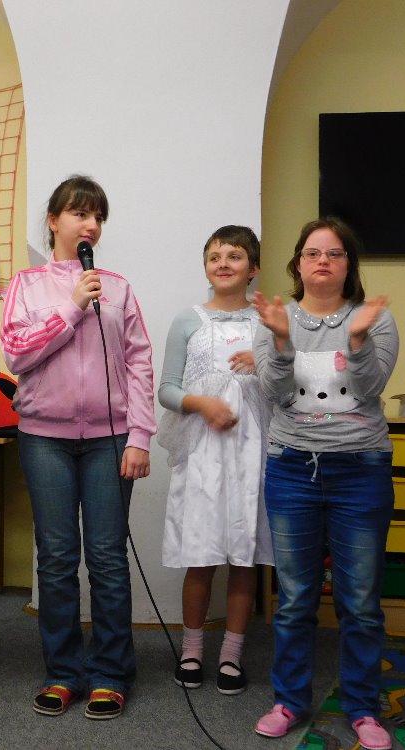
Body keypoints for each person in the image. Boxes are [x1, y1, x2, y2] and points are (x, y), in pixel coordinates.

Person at [0, 175, 156, 721]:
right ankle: (63, 672)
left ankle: (110, 674)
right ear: (53, 221)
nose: (90, 224)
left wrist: (140, 435)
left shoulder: (118, 287)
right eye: (79, 213)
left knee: (108, 559)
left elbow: (139, 363)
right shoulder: (27, 285)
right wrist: (69, 307)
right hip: (45, 437)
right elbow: (17, 353)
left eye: (97, 216)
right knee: (58, 558)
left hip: (111, 438)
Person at [251, 217, 398, 750]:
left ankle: (363, 708)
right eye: (313, 252)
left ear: (348, 265)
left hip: (361, 469)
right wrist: (281, 340)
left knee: (359, 601)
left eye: (334, 254)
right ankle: (289, 700)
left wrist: (357, 340)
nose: (323, 261)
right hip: (292, 468)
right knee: (294, 598)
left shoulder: (375, 319)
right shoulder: (277, 317)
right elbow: (273, 390)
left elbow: (371, 386)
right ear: (298, 263)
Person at [157, 225, 273, 696]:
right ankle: (191, 650)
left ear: (253, 268)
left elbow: (285, 385)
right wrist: (201, 404)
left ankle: (232, 654)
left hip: (251, 450)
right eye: (215, 257)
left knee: (245, 554)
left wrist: (267, 362)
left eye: (235, 256)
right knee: (201, 555)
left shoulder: (267, 322)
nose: (224, 263)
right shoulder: (188, 321)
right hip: (202, 451)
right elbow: (167, 388)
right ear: (206, 267)